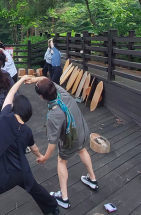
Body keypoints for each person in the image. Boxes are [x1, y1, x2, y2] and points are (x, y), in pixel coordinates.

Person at [0, 75, 59, 215]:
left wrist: (22, 79)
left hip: (4, 176)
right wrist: (42, 157)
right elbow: (34, 147)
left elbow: (10, 93)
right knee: (34, 188)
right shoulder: (27, 131)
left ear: (15, 108)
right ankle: (53, 208)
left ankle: (52, 207)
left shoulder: (5, 116)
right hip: (21, 171)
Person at [28, 76, 98, 209]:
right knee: (83, 150)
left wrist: (45, 158)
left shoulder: (54, 116)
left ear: (42, 97)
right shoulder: (62, 93)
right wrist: (34, 79)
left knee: (61, 161)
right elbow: (45, 78)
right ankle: (92, 179)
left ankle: (64, 198)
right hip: (83, 131)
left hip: (72, 140)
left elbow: (52, 143)